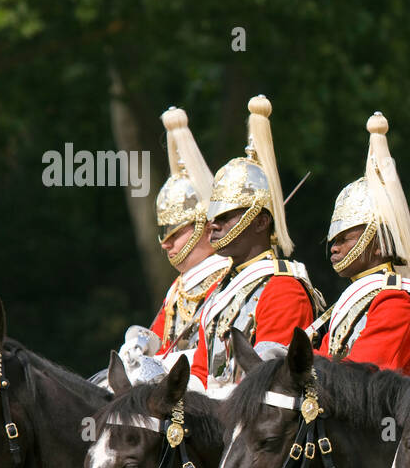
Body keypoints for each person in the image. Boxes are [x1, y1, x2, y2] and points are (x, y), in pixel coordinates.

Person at [189, 95, 325, 396]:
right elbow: (201, 373)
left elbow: (268, 384)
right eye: (213, 216)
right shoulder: (221, 288)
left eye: (225, 216)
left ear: (261, 222)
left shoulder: (282, 288)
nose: (213, 224)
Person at [312, 112, 410, 373]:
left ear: (380, 244)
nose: (334, 248)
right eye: (333, 241)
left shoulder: (395, 300)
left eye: (344, 238)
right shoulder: (358, 297)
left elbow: (361, 376)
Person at [117, 107, 231, 385]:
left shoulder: (227, 277)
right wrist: (141, 344)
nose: (166, 244)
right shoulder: (180, 287)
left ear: (205, 225)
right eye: (163, 232)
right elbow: (164, 342)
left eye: (176, 232)